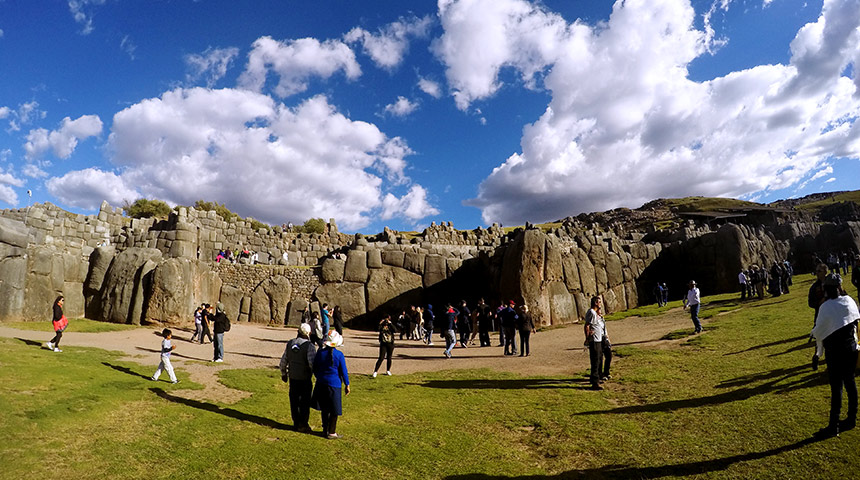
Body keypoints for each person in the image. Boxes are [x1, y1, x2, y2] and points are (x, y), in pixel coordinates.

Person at [811, 273, 859, 439]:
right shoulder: (849, 301)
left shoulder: (826, 307)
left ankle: (834, 425)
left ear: (826, 289)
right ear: (839, 287)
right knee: (850, 382)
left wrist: (817, 353)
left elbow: (819, 331)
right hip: (851, 349)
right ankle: (852, 418)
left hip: (835, 352)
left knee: (837, 387)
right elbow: (854, 322)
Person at [312, 330, 351, 439]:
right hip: (335, 384)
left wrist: (319, 376)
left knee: (325, 408)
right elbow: (344, 371)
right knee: (334, 409)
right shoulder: (339, 355)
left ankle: (325, 430)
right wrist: (347, 384)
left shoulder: (320, 353)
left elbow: (315, 367)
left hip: (321, 383)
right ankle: (332, 431)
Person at [279, 323, 316, 433]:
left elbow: (283, 361)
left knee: (294, 401)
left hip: (293, 377)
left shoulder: (290, 343)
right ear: (308, 333)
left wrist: (284, 374)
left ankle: (296, 422)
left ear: (298, 332)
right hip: (304, 377)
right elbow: (312, 363)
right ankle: (303, 424)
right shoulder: (309, 346)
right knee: (305, 402)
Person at [584, 296, 611, 390]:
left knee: (599, 359)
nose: (600, 304)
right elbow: (587, 325)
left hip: (599, 339)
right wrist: (587, 337)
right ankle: (595, 383)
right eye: (599, 302)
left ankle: (596, 378)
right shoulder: (591, 312)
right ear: (595, 303)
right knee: (595, 361)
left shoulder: (595, 313)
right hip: (594, 340)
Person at [809, 263, 829, 328]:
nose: (817, 273)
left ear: (825, 272)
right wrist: (820, 302)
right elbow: (810, 303)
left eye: (819, 271)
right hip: (820, 313)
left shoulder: (832, 283)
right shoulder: (814, 287)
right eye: (816, 271)